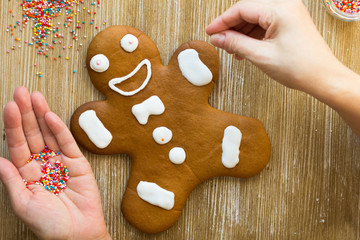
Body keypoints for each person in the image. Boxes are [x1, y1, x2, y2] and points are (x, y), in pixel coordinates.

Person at [0, 0, 359, 239]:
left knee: (237, 140)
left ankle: (230, 142)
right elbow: (100, 132)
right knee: (151, 200)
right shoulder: (105, 112)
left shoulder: (180, 71)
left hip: (210, 138)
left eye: (128, 49)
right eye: (105, 66)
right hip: (158, 171)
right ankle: (162, 193)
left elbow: (199, 64)